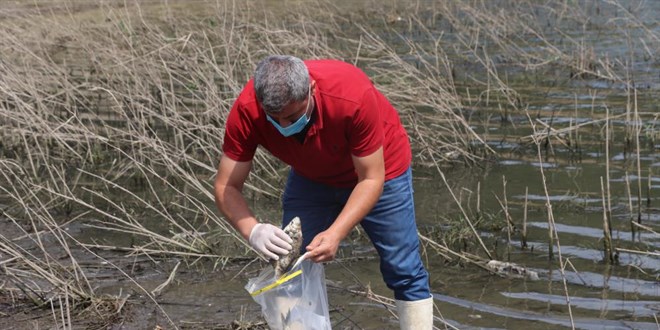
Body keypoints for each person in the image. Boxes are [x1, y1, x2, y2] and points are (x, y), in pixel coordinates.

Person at [214, 55, 433, 329]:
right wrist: (253, 230)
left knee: (403, 269)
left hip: (382, 171)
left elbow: (371, 178)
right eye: (275, 119)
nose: (284, 127)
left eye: (292, 117)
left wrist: (335, 233)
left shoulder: (352, 96)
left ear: (312, 91)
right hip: (312, 178)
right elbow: (226, 185)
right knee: (290, 269)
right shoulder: (248, 109)